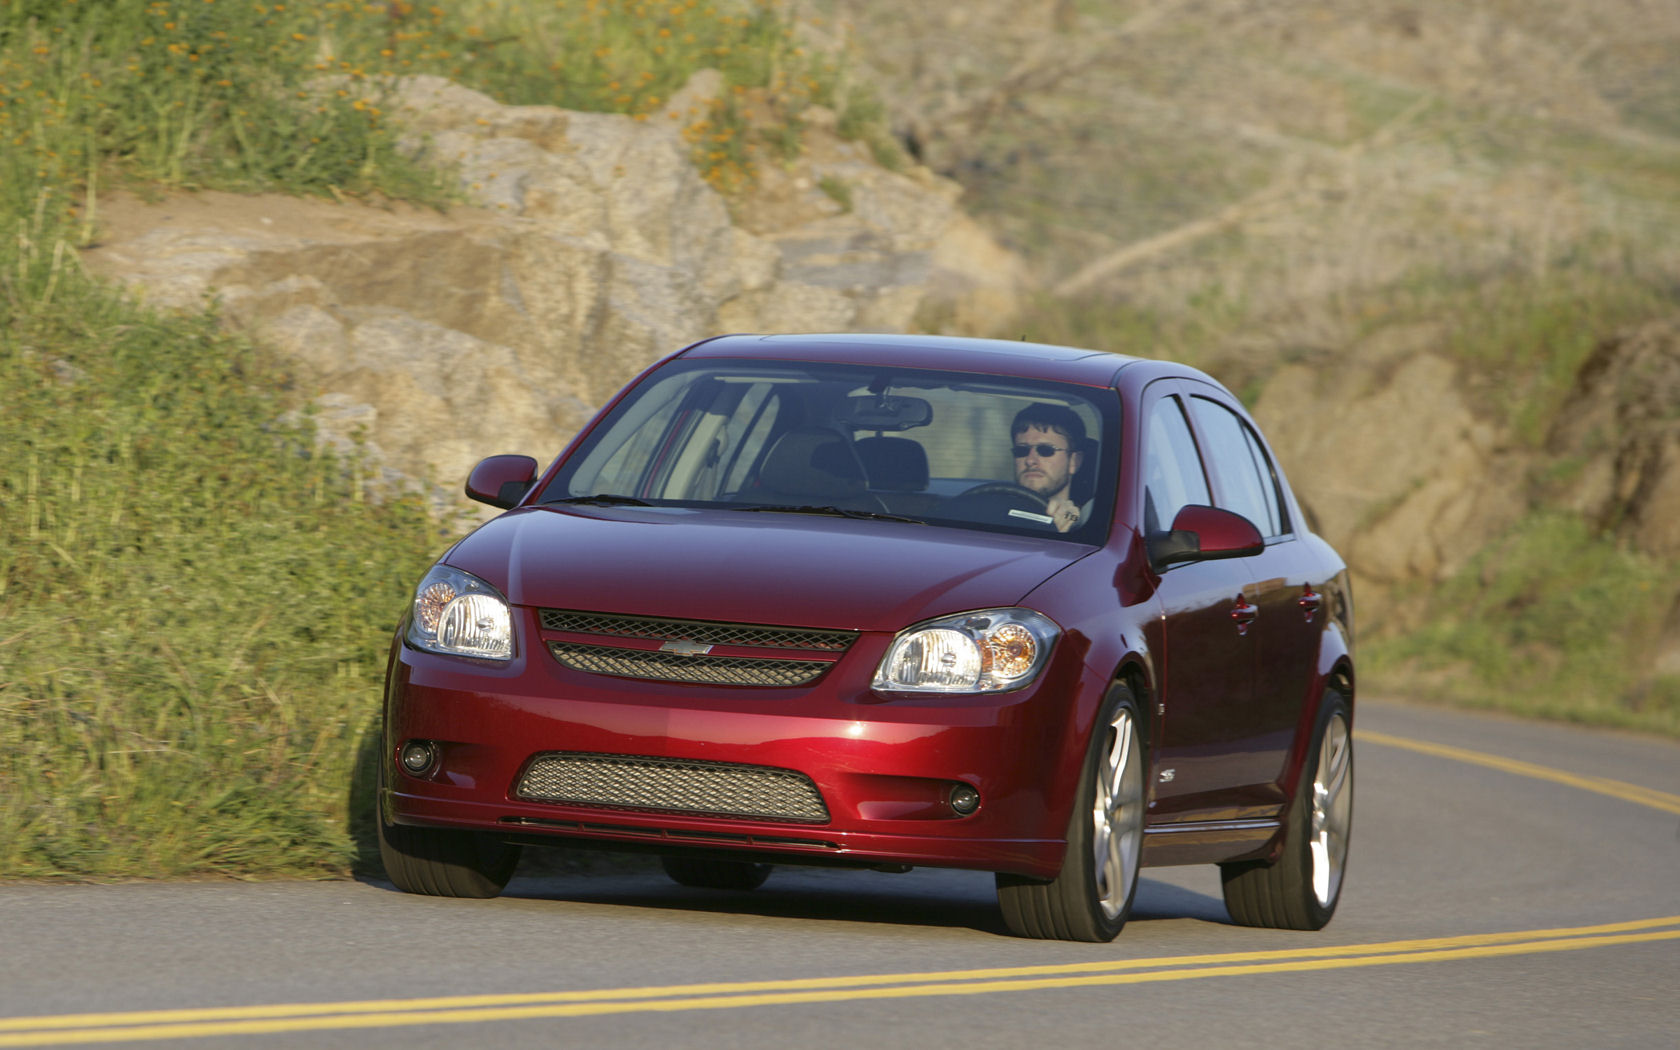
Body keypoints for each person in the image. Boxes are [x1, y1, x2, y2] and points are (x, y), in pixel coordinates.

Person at [1011, 403, 1088, 532]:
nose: (1030, 460)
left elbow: (1075, 519)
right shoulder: (991, 508)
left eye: (1046, 450)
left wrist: (1070, 523)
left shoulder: (1082, 521)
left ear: (1074, 461)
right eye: (1021, 450)